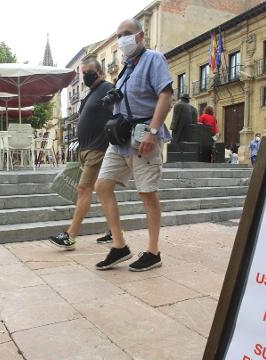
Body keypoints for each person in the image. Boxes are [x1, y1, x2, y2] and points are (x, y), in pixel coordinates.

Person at [94, 18, 174, 272]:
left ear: (140, 36)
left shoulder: (154, 58)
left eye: (126, 34)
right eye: (118, 35)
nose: (122, 39)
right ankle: (119, 246)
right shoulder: (126, 68)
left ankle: (153, 252)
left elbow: (165, 94)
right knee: (102, 185)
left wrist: (153, 131)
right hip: (120, 139)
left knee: (147, 193)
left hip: (143, 136)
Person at [48, 58, 115, 250]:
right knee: (104, 192)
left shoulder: (108, 88)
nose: (85, 75)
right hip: (85, 150)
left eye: (89, 72)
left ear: (101, 72)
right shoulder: (90, 94)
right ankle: (113, 231)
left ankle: (70, 235)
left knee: (83, 189)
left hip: (98, 149)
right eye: (83, 73)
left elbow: (119, 113)